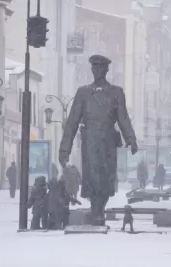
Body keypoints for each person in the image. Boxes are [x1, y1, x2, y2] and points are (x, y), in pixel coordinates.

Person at [59, 54, 138, 226]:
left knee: (106, 178)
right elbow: (72, 122)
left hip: (108, 141)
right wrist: (64, 149)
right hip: (90, 141)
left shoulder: (116, 92)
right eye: (94, 68)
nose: (97, 71)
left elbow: (123, 117)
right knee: (92, 177)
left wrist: (130, 137)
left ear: (106, 70)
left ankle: (99, 210)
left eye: (100, 68)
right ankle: (96, 212)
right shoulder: (83, 93)